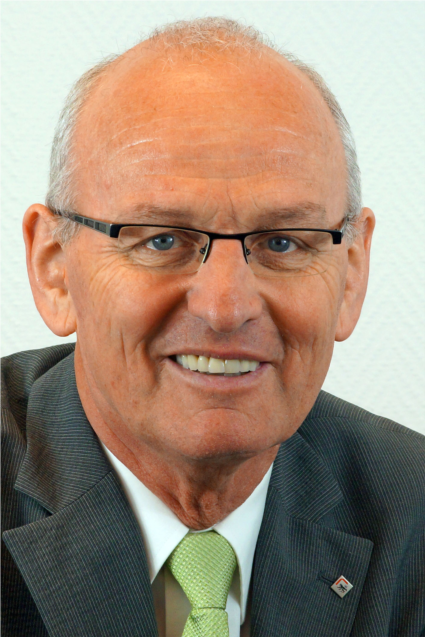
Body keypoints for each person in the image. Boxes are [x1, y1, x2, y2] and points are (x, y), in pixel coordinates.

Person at [1, 17, 424, 637]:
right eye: (161, 240)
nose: (225, 308)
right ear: (55, 269)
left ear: (351, 273)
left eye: (283, 242)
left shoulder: (413, 510)